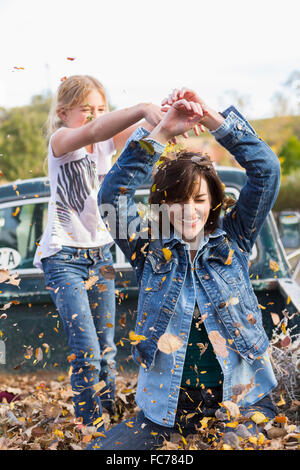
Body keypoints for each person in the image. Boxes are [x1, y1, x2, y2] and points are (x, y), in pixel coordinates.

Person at [88, 88, 281, 450]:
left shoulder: (234, 238)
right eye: (176, 201)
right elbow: (112, 196)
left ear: (214, 202)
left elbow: (266, 170)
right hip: (166, 409)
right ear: (162, 206)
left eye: (199, 199)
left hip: (241, 403)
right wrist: (161, 132)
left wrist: (209, 118)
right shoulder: (148, 248)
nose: (189, 210)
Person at [33, 75, 163, 429]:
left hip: (100, 256)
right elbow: (96, 132)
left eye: (101, 109)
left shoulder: (107, 145)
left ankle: (113, 421)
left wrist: (167, 112)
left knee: (107, 349)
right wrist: (138, 107)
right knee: (87, 352)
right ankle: (91, 427)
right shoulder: (61, 141)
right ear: (64, 113)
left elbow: (141, 132)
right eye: (86, 110)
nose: (95, 116)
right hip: (63, 257)